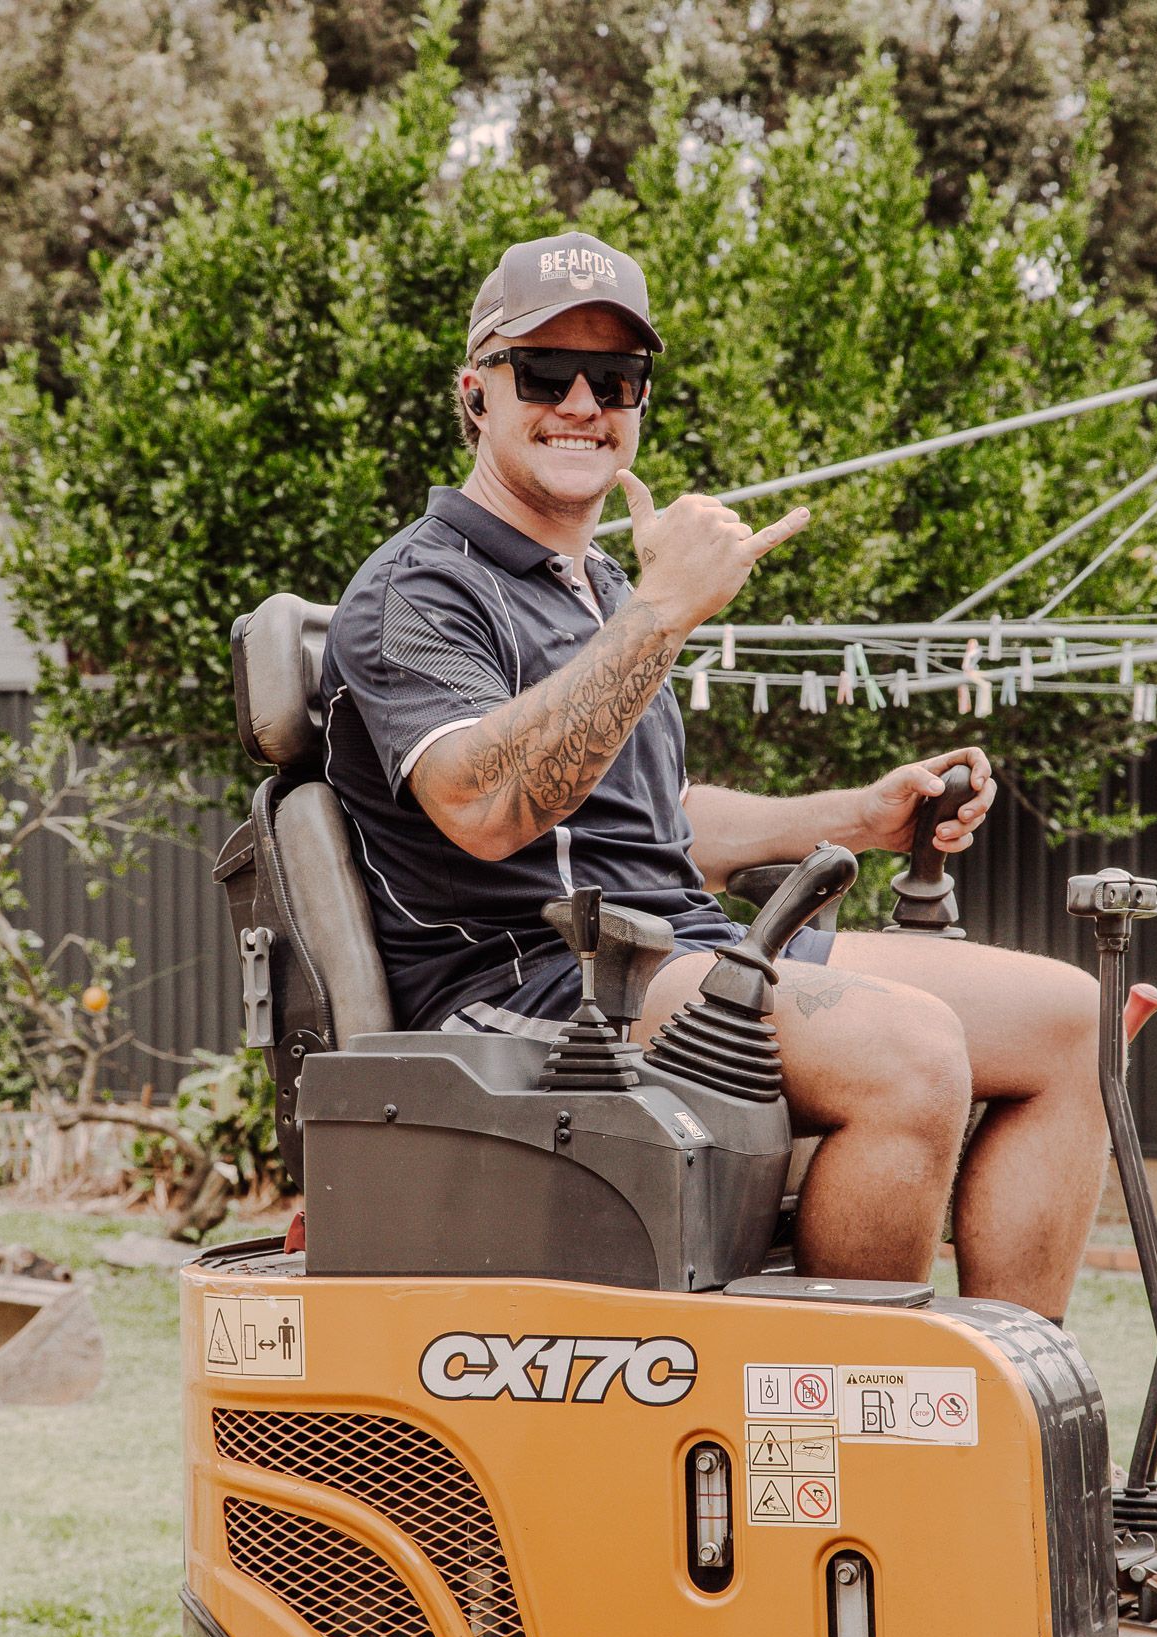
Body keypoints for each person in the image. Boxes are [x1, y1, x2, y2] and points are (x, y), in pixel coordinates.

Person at [322, 229, 1107, 1319]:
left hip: (672, 952)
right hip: (532, 989)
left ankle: (1011, 1432)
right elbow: (488, 808)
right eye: (545, 373)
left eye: (617, 377)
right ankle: (852, 1453)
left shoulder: (595, 586)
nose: (583, 403)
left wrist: (852, 816)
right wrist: (663, 611)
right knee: (908, 1051)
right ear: (476, 395)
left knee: (1070, 1017)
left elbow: (650, 824)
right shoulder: (416, 592)